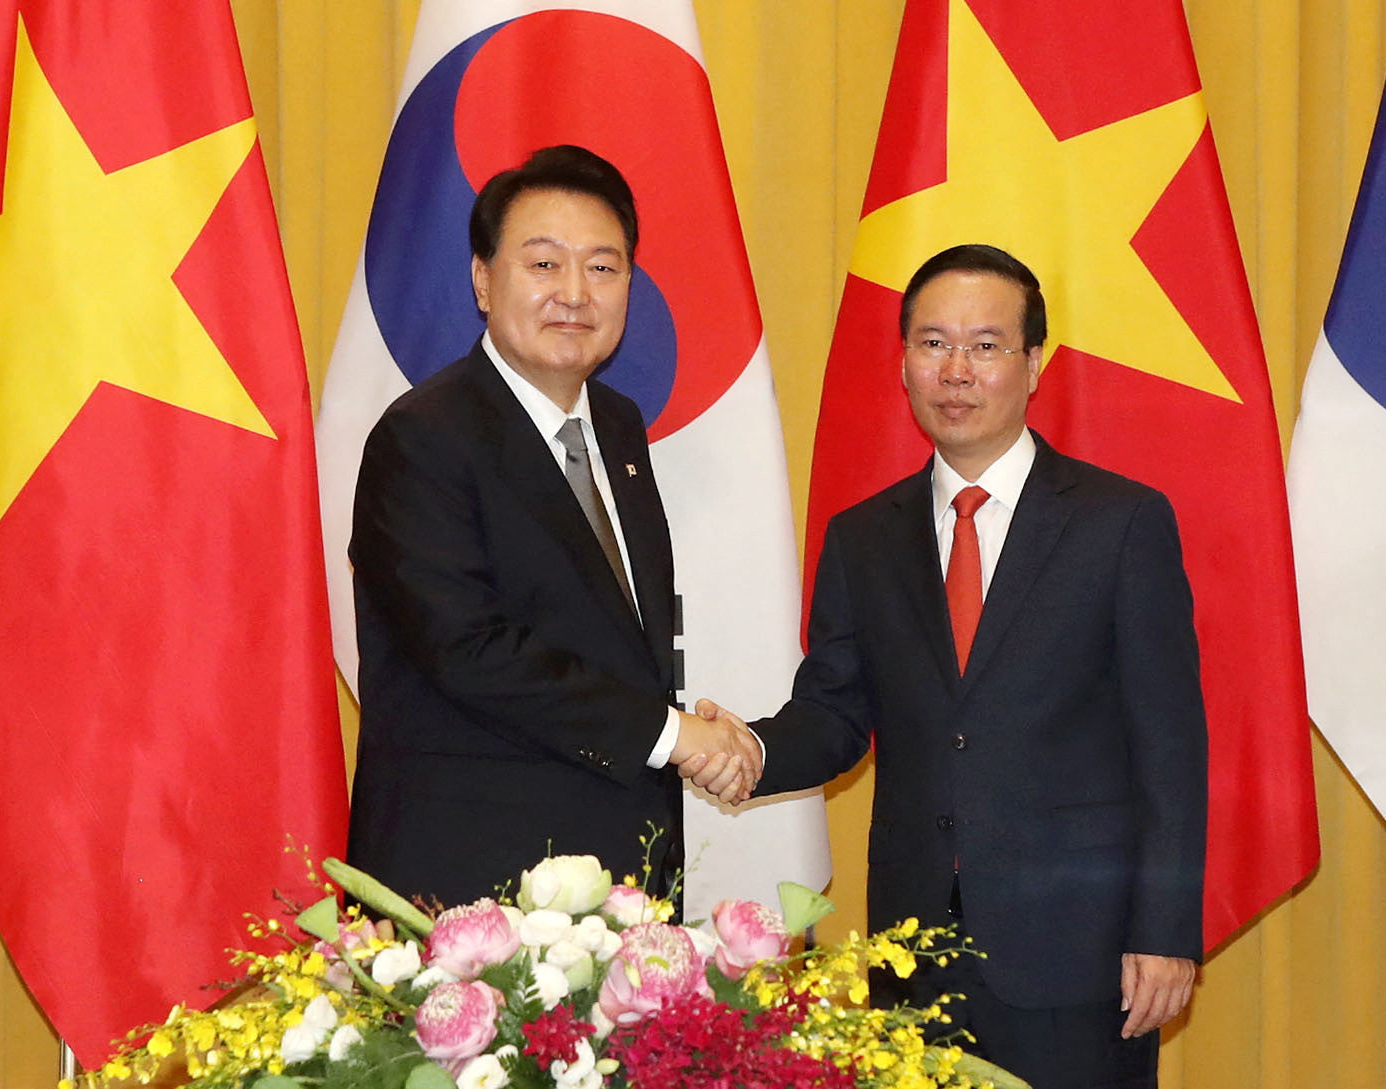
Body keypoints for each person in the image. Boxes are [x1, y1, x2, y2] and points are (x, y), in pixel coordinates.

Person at [687, 244, 1207, 1089]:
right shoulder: (864, 536)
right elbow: (834, 710)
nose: (956, 369)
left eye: (985, 345)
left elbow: (1171, 750)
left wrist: (1164, 928)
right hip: (914, 949)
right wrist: (743, 745)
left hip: (1079, 951)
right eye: (932, 343)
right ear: (903, 364)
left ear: (1033, 364)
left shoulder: (1120, 523)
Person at [345, 145, 758, 908]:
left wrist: (685, 730)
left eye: (602, 267)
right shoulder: (423, 437)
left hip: (616, 877)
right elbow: (469, 650)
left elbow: (612, 642)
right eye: (543, 264)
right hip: (473, 892)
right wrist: (670, 736)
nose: (575, 292)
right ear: (482, 279)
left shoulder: (619, 427)